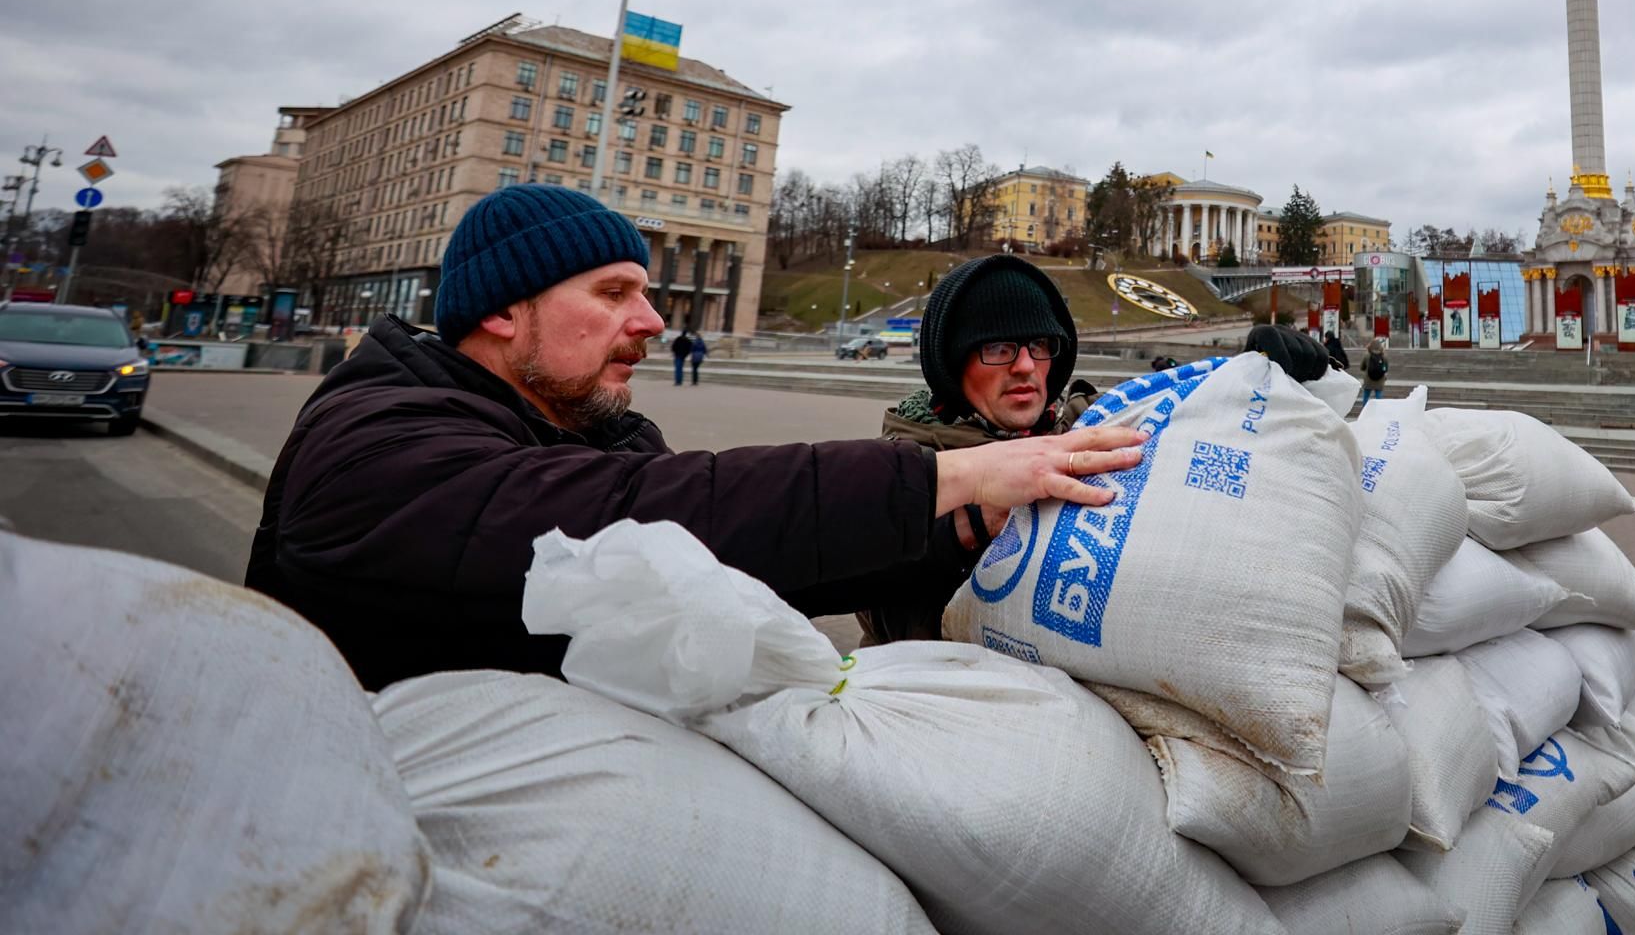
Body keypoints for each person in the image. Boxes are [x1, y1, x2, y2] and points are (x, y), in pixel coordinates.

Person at [244, 187, 1142, 691]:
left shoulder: (604, 434)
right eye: (611, 294)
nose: (650, 321)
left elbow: (739, 563)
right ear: (502, 310)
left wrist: (959, 530)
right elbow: (635, 526)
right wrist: (946, 477)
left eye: (646, 293)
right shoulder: (372, 441)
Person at [860, 255, 1097, 645]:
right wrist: (968, 528)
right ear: (952, 363)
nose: (1025, 365)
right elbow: (883, 616)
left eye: (1040, 344)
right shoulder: (901, 466)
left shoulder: (1093, 427)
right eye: (999, 347)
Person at [1243, 321, 1329, 384]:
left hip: (1312, 365)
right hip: (1318, 364)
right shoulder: (1262, 334)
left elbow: (1283, 365)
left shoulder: (1264, 334)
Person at [1361, 336, 1390, 403]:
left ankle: (1364, 411)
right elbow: (1386, 369)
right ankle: (1378, 411)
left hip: (1368, 379)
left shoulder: (1367, 356)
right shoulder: (1384, 357)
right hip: (1380, 379)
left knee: (1366, 396)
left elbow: (1362, 367)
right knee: (1378, 396)